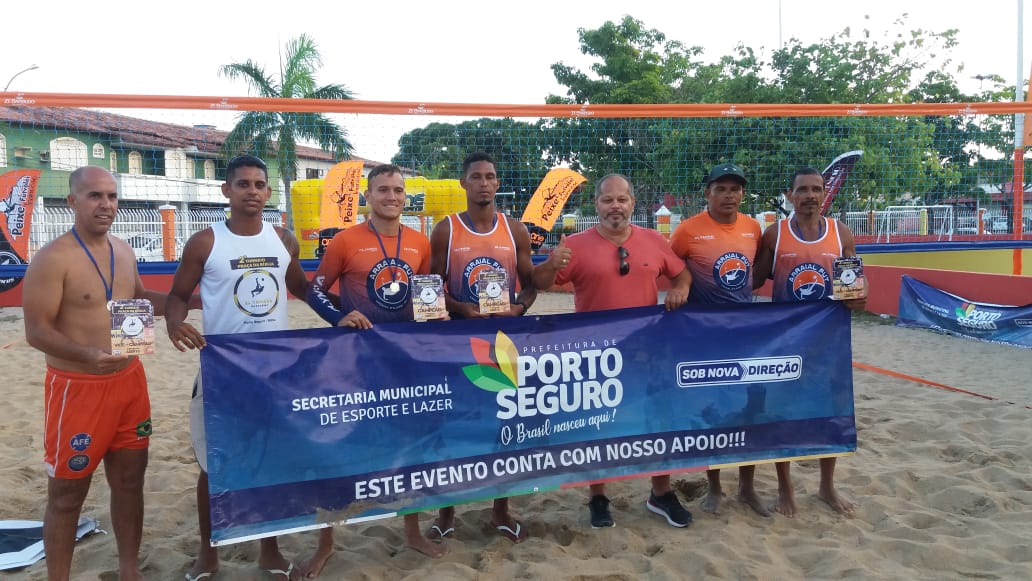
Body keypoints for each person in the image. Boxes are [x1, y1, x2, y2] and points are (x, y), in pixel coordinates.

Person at [22, 166, 193, 581]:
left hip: (129, 382)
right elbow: (36, 331)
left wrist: (184, 304)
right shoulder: (53, 258)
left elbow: (134, 298)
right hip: (77, 388)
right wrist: (86, 354)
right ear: (72, 202)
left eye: (112, 196)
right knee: (66, 495)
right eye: (95, 196)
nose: (106, 205)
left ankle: (129, 571)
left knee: (131, 481)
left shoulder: (122, 248)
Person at [165, 155, 310, 581]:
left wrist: (343, 318)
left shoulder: (283, 240)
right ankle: (209, 556)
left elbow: (304, 289)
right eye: (243, 183)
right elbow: (176, 296)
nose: (252, 191)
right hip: (223, 369)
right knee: (213, 466)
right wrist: (176, 322)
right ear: (226, 191)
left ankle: (270, 551)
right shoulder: (206, 242)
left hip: (274, 372)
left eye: (259, 184)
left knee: (269, 460)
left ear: (268, 192)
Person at [302, 164, 445, 572]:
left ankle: (413, 532)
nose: (392, 196)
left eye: (398, 190)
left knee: (410, 447)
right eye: (383, 189)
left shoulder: (419, 242)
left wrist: (434, 317)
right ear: (368, 196)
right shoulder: (346, 241)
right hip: (355, 361)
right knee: (338, 446)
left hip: (404, 360)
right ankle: (325, 542)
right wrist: (338, 319)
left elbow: (428, 294)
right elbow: (315, 289)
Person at [532, 173, 693, 530]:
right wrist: (551, 263)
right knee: (597, 425)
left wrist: (680, 289)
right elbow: (540, 282)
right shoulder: (574, 243)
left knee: (655, 422)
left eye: (622, 199)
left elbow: (682, 275)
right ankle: (598, 496)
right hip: (595, 354)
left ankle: (660, 493)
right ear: (597, 205)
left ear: (632, 203)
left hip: (645, 350)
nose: (615, 206)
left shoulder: (653, 240)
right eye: (607, 200)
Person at [426, 151, 537, 544]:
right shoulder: (446, 229)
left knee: (503, 428)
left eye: (490, 176)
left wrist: (519, 307)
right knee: (450, 428)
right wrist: (459, 308)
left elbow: (531, 284)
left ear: (497, 181)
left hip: (501, 343)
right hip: (457, 340)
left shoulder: (515, 229)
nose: (484, 183)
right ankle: (446, 513)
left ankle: (500, 512)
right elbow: (432, 286)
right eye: (476, 176)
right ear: (464, 183)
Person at [752, 166, 866, 518]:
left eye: (816, 189)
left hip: (827, 343)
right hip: (784, 343)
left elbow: (856, 297)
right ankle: (786, 491)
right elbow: (751, 283)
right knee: (781, 417)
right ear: (790, 195)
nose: (810, 196)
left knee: (829, 415)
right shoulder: (775, 235)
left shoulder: (840, 233)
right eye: (802, 190)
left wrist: (858, 294)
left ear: (824, 194)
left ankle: (826, 486)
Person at [670, 163, 769, 517]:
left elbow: (754, 273)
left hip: (745, 330)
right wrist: (683, 285)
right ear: (708, 193)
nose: (729, 195)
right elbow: (672, 266)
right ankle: (713, 487)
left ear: (743, 193)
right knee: (713, 408)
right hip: (704, 333)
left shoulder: (753, 228)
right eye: (721, 188)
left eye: (736, 189)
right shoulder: (687, 230)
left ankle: (747, 487)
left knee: (752, 406)